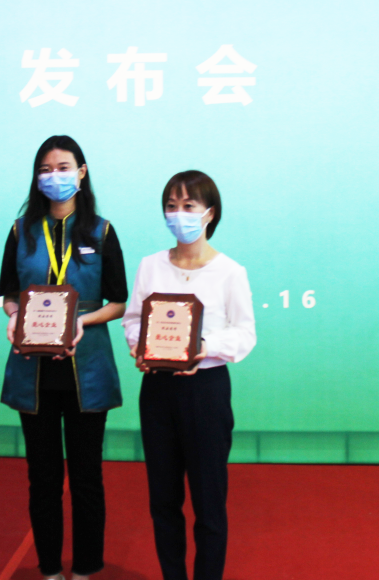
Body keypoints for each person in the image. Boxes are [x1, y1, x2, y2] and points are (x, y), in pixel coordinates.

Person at [0, 135, 127, 580]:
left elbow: (119, 302)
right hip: (32, 367)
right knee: (43, 478)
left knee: (87, 477)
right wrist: (14, 316)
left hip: (85, 366)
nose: (54, 176)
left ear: (81, 172)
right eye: (46, 169)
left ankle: (87, 568)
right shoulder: (21, 231)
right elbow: (9, 294)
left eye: (63, 167)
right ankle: (50, 569)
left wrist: (82, 322)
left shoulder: (102, 231)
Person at [122, 170, 256, 580]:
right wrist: (139, 347)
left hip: (205, 391)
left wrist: (205, 346)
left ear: (209, 213)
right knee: (163, 501)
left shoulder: (230, 271)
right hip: (157, 389)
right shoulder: (150, 265)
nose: (178, 214)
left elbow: (245, 334)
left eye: (188, 206)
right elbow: (133, 320)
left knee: (208, 503)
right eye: (171, 206)